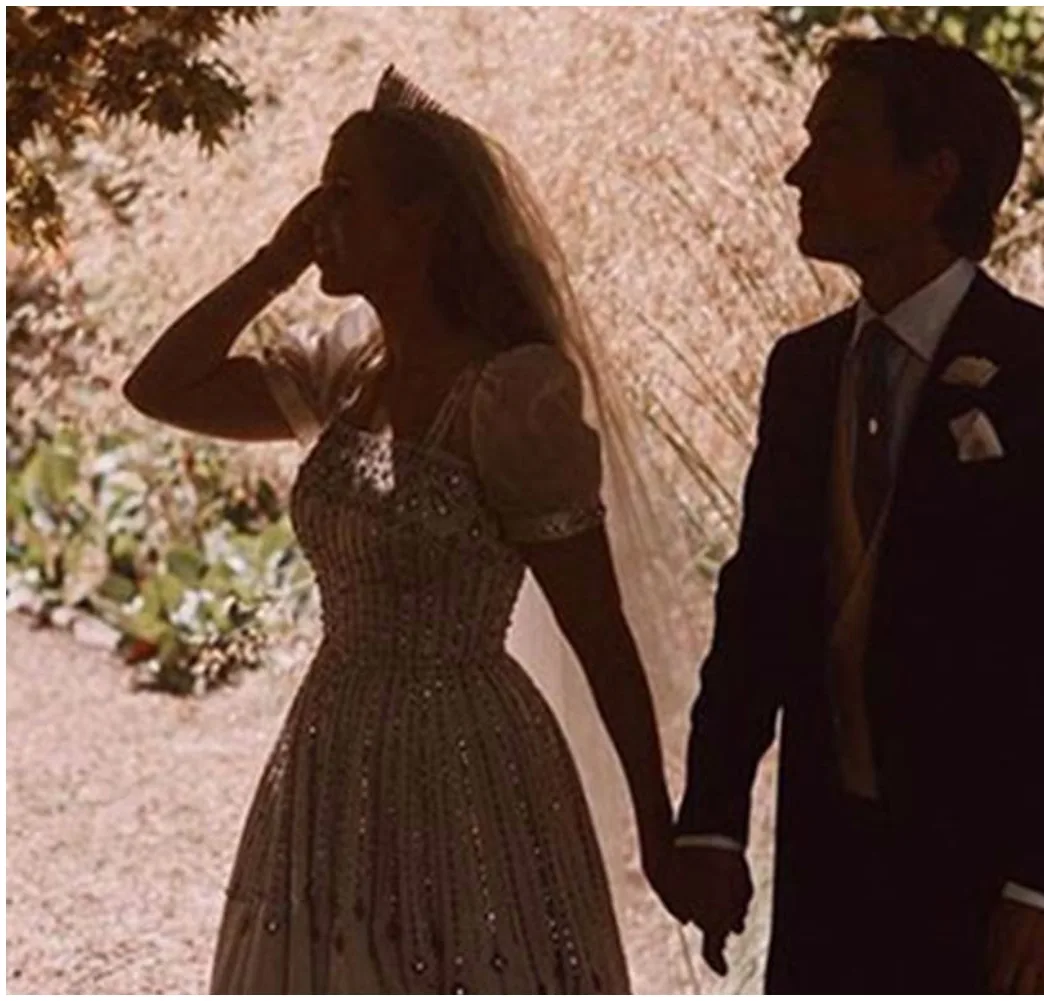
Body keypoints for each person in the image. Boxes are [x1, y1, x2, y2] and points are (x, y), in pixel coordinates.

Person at [124, 67, 682, 993]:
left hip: (467, 763)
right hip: (331, 745)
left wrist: (657, 828)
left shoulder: (512, 394)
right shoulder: (349, 373)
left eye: (344, 193)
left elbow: (598, 629)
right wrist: (272, 263)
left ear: (422, 220)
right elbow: (158, 387)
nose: (319, 213)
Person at [668, 34, 1044, 993]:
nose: (798, 171)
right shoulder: (802, 372)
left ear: (935, 175)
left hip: (999, 897)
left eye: (837, 142)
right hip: (829, 885)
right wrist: (714, 818)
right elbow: (760, 601)